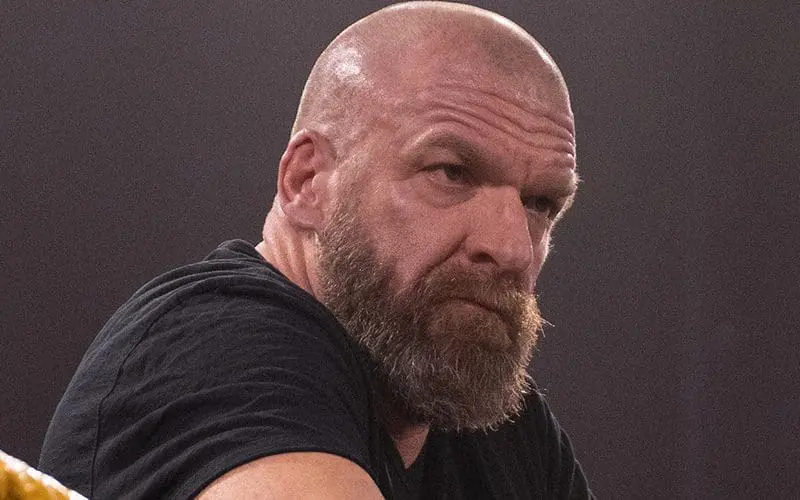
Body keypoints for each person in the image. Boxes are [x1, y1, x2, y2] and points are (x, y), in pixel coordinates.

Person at [40, 2, 592, 498]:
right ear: (308, 181)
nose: (513, 248)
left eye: (540, 203)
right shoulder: (214, 348)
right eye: (452, 172)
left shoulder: (500, 429)